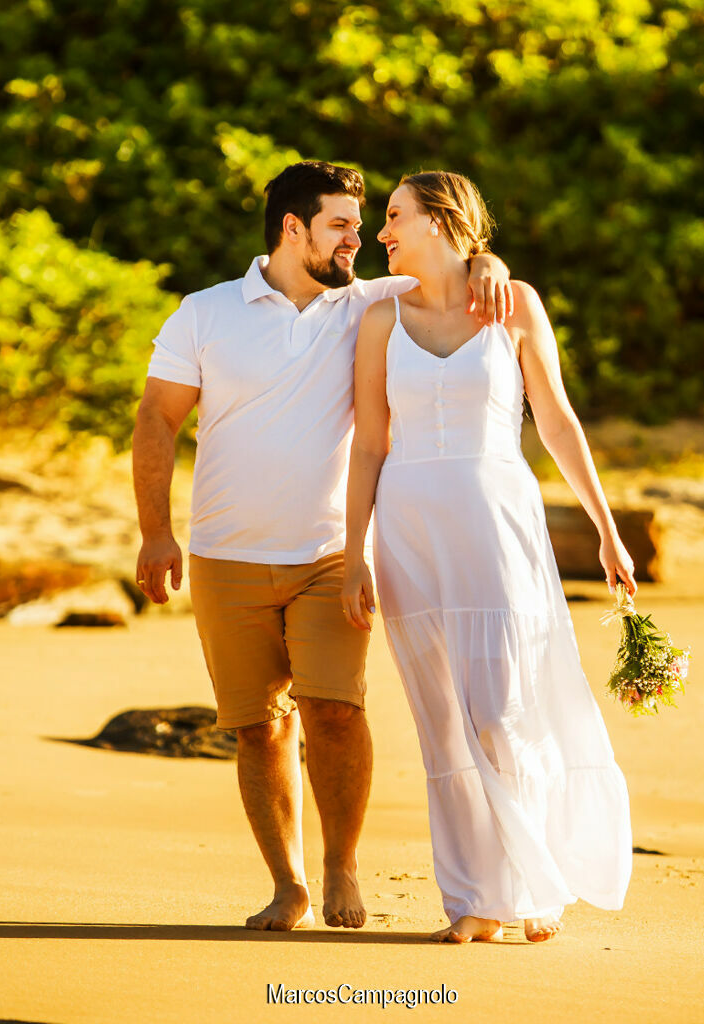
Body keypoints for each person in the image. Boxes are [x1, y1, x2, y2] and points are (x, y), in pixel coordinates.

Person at [132, 161, 512, 932]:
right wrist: (154, 532)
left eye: (363, 224)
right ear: (291, 227)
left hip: (331, 557)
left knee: (334, 711)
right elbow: (155, 422)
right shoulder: (204, 313)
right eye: (340, 225)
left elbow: (453, 267)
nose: (359, 240)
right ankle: (288, 884)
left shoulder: (372, 303)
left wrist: (489, 262)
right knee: (257, 726)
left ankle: (342, 869)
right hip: (222, 556)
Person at [341, 170, 637, 944]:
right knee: (442, 724)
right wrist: (351, 555)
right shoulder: (378, 317)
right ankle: (476, 900)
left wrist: (606, 529)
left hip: (496, 522)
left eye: (396, 217)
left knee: (503, 714)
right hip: (407, 528)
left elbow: (558, 422)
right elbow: (369, 445)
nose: (382, 233)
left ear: (439, 221)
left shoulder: (512, 304)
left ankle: (531, 884)